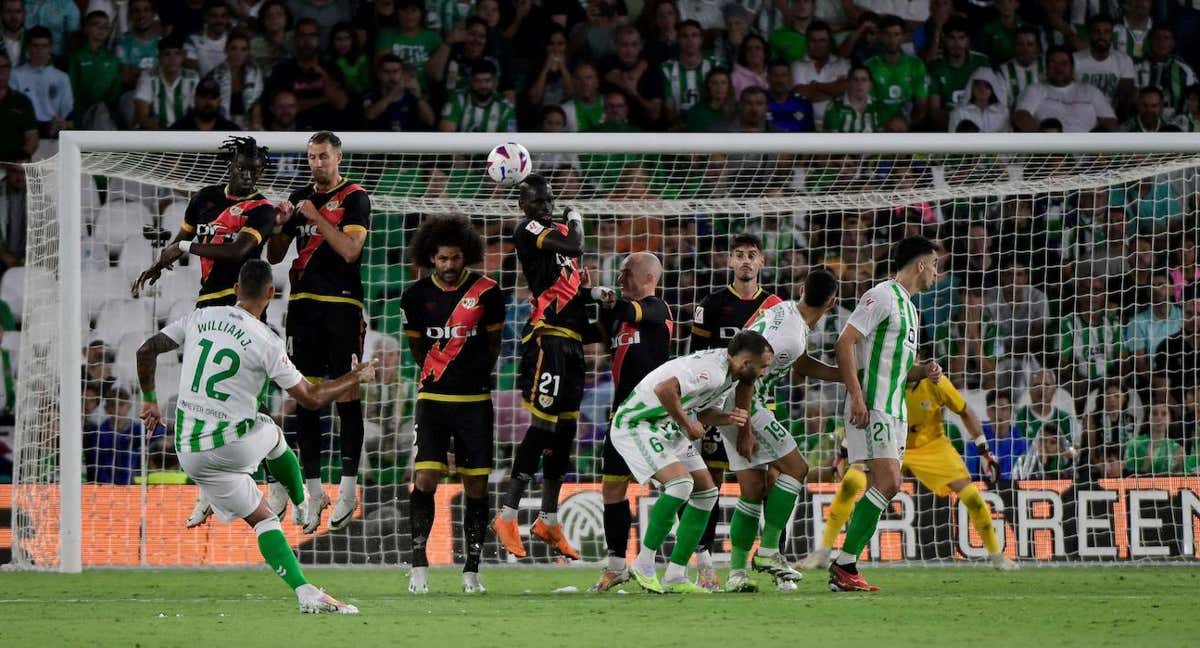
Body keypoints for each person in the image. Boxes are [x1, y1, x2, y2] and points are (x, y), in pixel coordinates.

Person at [136, 259, 373, 614]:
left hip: (190, 452)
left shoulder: (200, 317)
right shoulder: (267, 341)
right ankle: (303, 502)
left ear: (235, 290)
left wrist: (151, 401)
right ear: (271, 294)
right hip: (232, 446)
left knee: (263, 520)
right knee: (271, 433)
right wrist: (355, 377)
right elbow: (310, 397)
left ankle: (305, 590)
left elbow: (145, 350)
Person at [492, 174, 610, 561]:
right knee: (542, 426)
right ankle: (507, 514)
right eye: (536, 201)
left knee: (565, 432)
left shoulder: (557, 236)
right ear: (524, 206)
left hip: (573, 340)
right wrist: (576, 218)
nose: (543, 206)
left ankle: (549, 518)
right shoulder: (529, 229)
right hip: (548, 337)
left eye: (547, 200)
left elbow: (571, 287)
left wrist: (595, 294)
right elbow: (575, 244)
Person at [800, 373, 1018, 572]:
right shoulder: (887, 380)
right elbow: (863, 415)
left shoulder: (936, 381)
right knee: (851, 482)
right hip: (890, 443)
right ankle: (824, 551)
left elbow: (964, 410)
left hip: (931, 445)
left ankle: (996, 555)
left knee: (971, 496)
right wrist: (843, 452)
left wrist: (984, 451)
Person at [265, 131, 371, 534]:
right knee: (304, 395)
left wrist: (315, 217)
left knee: (347, 392)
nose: (316, 164)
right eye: (311, 157)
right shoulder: (299, 197)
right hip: (303, 304)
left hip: (343, 304)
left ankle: (347, 489)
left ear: (338, 157)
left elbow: (349, 250)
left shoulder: (355, 197)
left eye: (323, 156)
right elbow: (276, 255)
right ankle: (314, 491)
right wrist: (280, 226)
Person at [613, 330, 773, 593]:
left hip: (663, 424)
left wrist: (728, 418)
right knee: (680, 485)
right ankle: (643, 563)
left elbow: (706, 412)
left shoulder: (728, 375)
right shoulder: (712, 371)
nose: (764, 373)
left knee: (707, 492)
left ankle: (675, 575)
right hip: (637, 423)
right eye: (762, 367)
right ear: (745, 363)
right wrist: (687, 424)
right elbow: (664, 389)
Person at [827, 236, 940, 592]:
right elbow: (844, 342)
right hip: (873, 405)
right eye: (935, 264)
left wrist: (924, 370)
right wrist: (857, 397)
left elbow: (899, 371)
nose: (937, 272)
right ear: (921, 264)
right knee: (889, 482)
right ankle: (844, 564)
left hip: (895, 409)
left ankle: (845, 566)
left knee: (887, 484)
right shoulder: (882, 296)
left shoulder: (910, 309)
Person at [720, 268, 843, 593]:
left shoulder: (782, 310)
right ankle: (770, 551)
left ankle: (736, 574)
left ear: (801, 288)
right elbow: (748, 373)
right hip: (744, 402)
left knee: (753, 488)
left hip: (727, 400)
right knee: (796, 468)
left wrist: (840, 374)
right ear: (833, 302)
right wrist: (745, 427)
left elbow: (797, 363)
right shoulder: (789, 336)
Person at [400, 215, 504, 595]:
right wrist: (439, 375)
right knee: (425, 478)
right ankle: (418, 566)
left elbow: (493, 348)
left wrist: (469, 376)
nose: (449, 266)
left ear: (467, 256)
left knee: (475, 484)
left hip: (474, 402)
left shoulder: (488, 292)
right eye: (442, 259)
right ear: (431, 257)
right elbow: (416, 349)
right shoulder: (413, 296)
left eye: (456, 258)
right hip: (432, 401)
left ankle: (472, 569)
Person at [687, 232, 781, 589]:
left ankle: (775, 555)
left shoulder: (773, 307)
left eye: (751, 255)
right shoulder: (712, 304)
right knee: (710, 482)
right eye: (739, 254)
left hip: (759, 404)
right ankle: (704, 559)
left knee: (768, 481)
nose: (745, 261)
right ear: (729, 261)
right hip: (715, 405)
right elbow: (694, 358)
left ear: (761, 263)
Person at [590, 252, 673, 592]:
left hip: (653, 417)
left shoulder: (657, 310)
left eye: (627, 273)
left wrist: (601, 295)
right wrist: (580, 293)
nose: (622, 278)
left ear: (649, 277)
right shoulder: (617, 317)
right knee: (612, 488)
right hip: (620, 417)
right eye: (621, 273)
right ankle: (615, 565)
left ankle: (695, 560)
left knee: (679, 487)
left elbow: (626, 310)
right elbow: (584, 330)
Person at [1013, 45, 1118, 133]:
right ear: (1046, 68)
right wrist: (1043, 141)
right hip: (1050, 151)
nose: (1058, 68)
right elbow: (1021, 116)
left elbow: (1110, 121)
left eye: (1064, 63)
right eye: (1053, 63)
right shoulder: (1035, 89)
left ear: (1072, 68)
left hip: (1087, 151)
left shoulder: (1090, 91)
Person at [863, 15, 928, 126]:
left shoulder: (916, 65)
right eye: (887, 34)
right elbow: (866, 105)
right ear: (881, 36)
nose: (892, 40)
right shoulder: (869, 66)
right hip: (878, 127)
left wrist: (908, 126)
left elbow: (921, 105)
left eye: (896, 34)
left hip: (907, 127)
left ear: (903, 37)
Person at [10, 26, 72, 137]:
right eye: (36, 46)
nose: (40, 51)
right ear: (28, 47)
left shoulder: (62, 77)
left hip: (53, 129)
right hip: (24, 131)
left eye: (44, 46)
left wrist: (58, 124)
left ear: (51, 48)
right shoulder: (15, 75)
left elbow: (66, 108)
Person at [134, 34, 201, 130]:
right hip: (156, 135)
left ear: (183, 56)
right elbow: (142, 116)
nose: (172, 59)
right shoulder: (148, 76)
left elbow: (198, 114)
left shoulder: (192, 78)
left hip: (184, 134)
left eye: (177, 53)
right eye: (167, 54)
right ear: (159, 57)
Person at [964, 390, 1030, 481]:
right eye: (994, 409)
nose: (998, 413)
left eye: (1003, 409)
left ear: (1011, 412)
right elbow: (970, 477)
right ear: (987, 412)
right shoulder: (975, 442)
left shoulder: (1022, 444)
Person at [661, 19, 717, 123]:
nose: (690, 40)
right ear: (678, 39)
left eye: (694, 35)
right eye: (685, 36)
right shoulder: (666, 69)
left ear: (701, 39)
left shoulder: (715, 65)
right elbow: (669, 110)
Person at [437, 59, 515, 132]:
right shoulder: (458, 100)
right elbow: (445, 134)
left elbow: (509, 141)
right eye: (477, 81)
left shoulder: (506, 108)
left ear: (495, 82)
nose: (482, 85)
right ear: (471, 82)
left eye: (487, 81)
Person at [363, 55, 434, 131]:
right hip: (379, 141)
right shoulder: (371, 94)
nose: (391, 76)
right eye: (386, 72)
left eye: (395, 71)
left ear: (402, 73)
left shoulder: (412, 95)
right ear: (379, 74)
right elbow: (370, 115)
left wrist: (418, 97)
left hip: (407, 140)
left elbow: (430, 121)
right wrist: (394, 92)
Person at [823, 64, 883, 132]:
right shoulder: (835, 107)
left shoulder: (878, 106)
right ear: (848, 84)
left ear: (870, 85)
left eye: (864, 80)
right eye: (855, 80)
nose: (859, 84)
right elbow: (831, 139)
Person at [169, 77, 240, 130]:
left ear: (219, 101)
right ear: (195, 99)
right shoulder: (179, 129)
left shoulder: (231, 130)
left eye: (213, 97)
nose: (208, 101)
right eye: (203, 96)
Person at [185, 0, 231, 78]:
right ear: (206, 17)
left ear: (227, 19)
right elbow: (192, 73)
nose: (219, 20)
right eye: (214, 16)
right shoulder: (192, 40)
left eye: (223, 16)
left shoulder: (233, 40)